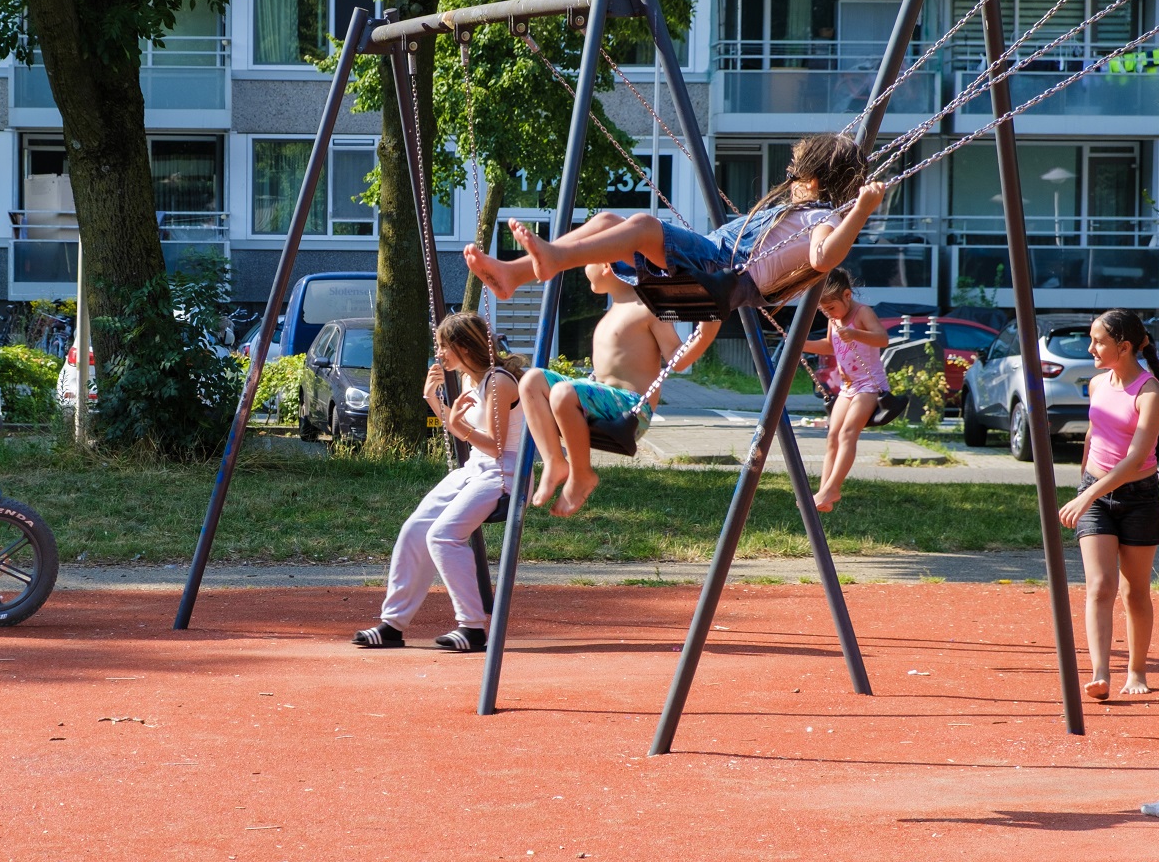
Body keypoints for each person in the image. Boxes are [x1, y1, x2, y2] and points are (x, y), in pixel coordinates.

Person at [463, 132, 886, 314]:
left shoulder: (822, 219)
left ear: (811, 181)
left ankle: (553, 258)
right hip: (712, 260)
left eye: (794, 174)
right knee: (609, 220)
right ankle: (514, 274)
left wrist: (860, 212)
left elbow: (824, 257)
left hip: (721, 270)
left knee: (645, 225)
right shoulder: (809, 212)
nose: (788, 182)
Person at [353, 312, 523, 653]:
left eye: (444, 346)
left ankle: (473, 628)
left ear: (464, 346)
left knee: (443, 536)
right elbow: (467, 434)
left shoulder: (498, 382)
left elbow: (495, 444)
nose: (440, 354)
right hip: (477, 468)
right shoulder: (473, 381)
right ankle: (393, 625)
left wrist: (458, 425)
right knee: (415, 529)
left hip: (505, 472)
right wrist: (434, 400)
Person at [1057, 309, 1159, 700]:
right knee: (1100, 585)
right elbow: (1094, 435)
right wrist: (1085, 485)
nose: (1090, 347)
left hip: (1139, 498)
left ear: (1125, 347)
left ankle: (1136, 669)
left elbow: (1135, 460)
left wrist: (1086, 496)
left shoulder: (1150, 394)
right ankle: (1100, 673)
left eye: (1098, 341)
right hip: (1095, 493)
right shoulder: (1098, 384)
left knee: (1134, 591)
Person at [521, 262, 717, 517]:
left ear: (605, 266)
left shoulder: (651, 307)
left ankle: (582, 475)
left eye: (587, 262)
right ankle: (554, 461)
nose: (583, 269)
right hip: (601, 399)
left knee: (563, 393)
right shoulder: (612, 311)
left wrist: (706, 333)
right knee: (531, 380)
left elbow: (676, 359)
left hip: (631, 409)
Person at [801, 268, 889, 512]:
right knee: (832, 436)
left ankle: (833, 488)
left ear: (847, 295)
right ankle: (824, 493)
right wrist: (800, 343)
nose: (829, 313)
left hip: (870, 386)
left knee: (848, 433)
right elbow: (830, 346)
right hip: (848, 387)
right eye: (824, 310)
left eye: (831, 307)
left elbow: (882, 339)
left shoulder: (862, 313)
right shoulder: (834, 320)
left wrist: (855, 333)